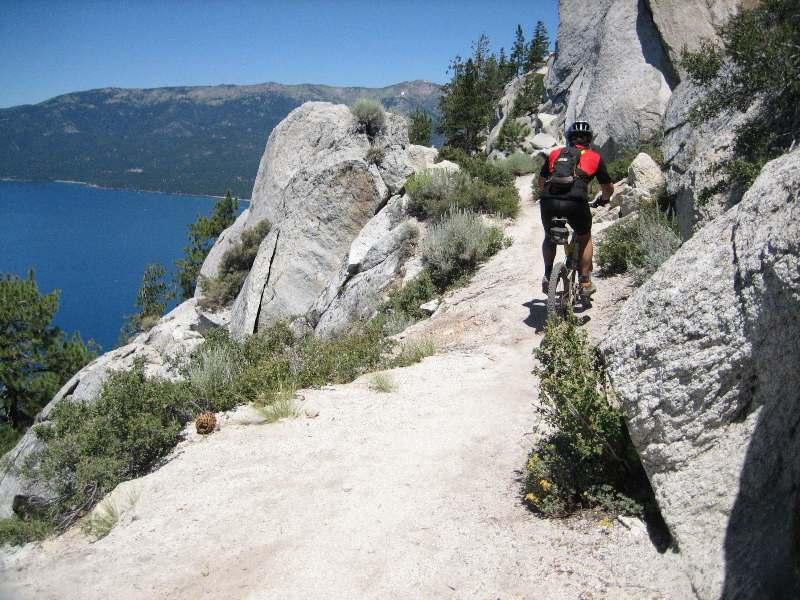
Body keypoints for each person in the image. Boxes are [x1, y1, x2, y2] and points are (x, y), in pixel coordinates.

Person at [537, 121, 614, 297]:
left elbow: (541, 183)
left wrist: (552, 196)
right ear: (589, 139)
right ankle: (585, 281)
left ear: (569, 138)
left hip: (549, 199)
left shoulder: (555, 153)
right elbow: (608, 187)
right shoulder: (594, 157)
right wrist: (604, 199)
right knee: (585, 236)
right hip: (576, 201)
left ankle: (548, 274)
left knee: (549, 236)